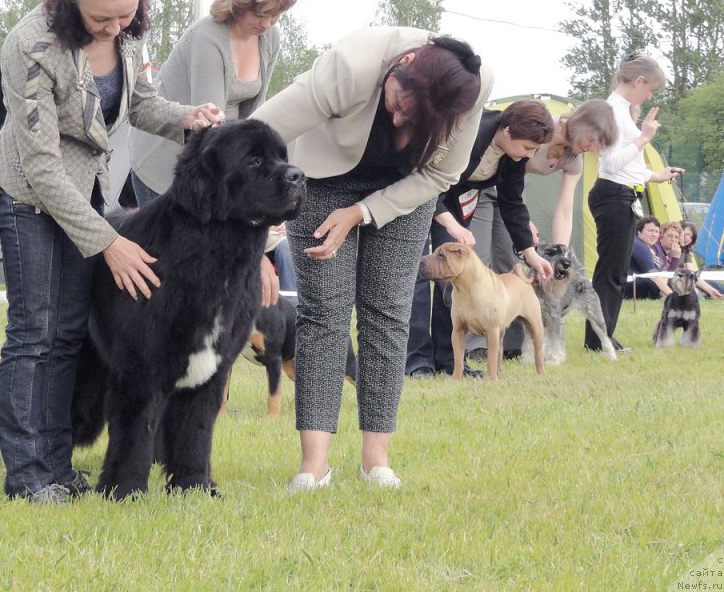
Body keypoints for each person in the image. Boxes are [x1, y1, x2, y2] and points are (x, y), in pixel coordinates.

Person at [0, 0, 223, 505]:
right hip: (28, 195)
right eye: (103, 16)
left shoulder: (129, 31)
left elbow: (139, 104)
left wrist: (187, 117)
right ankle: (26, 476)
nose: (118, 26)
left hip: (87, 192)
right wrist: (109, 240)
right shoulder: (30, 45)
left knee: (69, 332)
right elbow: (41, 163)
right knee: (35, 334)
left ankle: (58, 466)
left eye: (128, 12)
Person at [251, 26, 494, 490]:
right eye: (399, 101)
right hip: (324, 181)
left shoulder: (471, 88)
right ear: (401, 66)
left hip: (405, 191)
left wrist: (362, 213)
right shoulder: (350, 65)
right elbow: (261, 134)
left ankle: (376, 460)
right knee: (323, 312)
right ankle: (314, 465)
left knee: (387, 310)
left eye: (416, 117)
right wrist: (254, 226)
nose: (399, 120)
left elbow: (442, 172)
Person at [128, 0, 300, 291]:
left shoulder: (269, 37)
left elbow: (253, 120)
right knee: (173, 268)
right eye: (260, 12)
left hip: (222, 158)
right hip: (166, 160)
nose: (268, 22)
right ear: (240, 0)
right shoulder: (209, 38)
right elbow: (213, 137)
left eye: (277, 13)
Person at [457, 99, 620, 364]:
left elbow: (565, 210)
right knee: (480, 259)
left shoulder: (574, 160)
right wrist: (524, 222)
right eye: (593, 139)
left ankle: (508, 343)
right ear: (581, 122)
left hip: (514, 192)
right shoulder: (542, 128)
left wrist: (560, 256)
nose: (591, 148)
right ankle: (477, 345)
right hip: (487, 187)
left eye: (597, 147)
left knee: (513, 267)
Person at [405, 100, 556, 378]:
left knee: (451, 275)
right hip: (416, 194)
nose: (530, 155)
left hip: (455, 202)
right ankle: (417, 362)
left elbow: (512, 203)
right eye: (528, 148)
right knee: (420, 273)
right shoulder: (470, 132)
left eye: (534, 150)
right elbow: (426, 177)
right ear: (507, 131)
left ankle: (450, 361)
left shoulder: (515, 158)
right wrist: (450, 223)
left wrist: (531, 254)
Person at [584, 51, 683, 352]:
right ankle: (599, 341)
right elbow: (612, 163)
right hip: (613, 195)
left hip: (623, 194)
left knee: (613, 272)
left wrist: (657, 175)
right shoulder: (611, 111)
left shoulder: (623, 112)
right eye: (650, 87)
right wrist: (644, 138)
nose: (650, 93)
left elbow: (629, 166)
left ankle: (602, 337)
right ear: (638, 81)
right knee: (611, 273)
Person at [625, 217, 679, 298]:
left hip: (651, 282)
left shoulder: (654, 247)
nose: (654, 235)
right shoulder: (637, 244)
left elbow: (663, 272)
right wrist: (672, 296)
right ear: (639, 232)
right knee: (651, 284)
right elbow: (653, 275)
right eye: (650, 231)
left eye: (656, 231)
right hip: (630, 284)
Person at [679, 220, 724, 299]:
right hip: (679, 281)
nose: (688, 238)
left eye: (690, 236)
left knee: (713, 284)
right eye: (686, 234)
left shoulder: (686, 252)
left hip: (688, 279)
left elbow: (691, 273)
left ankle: (713, 293)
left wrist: (710, 290)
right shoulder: (673, 249)